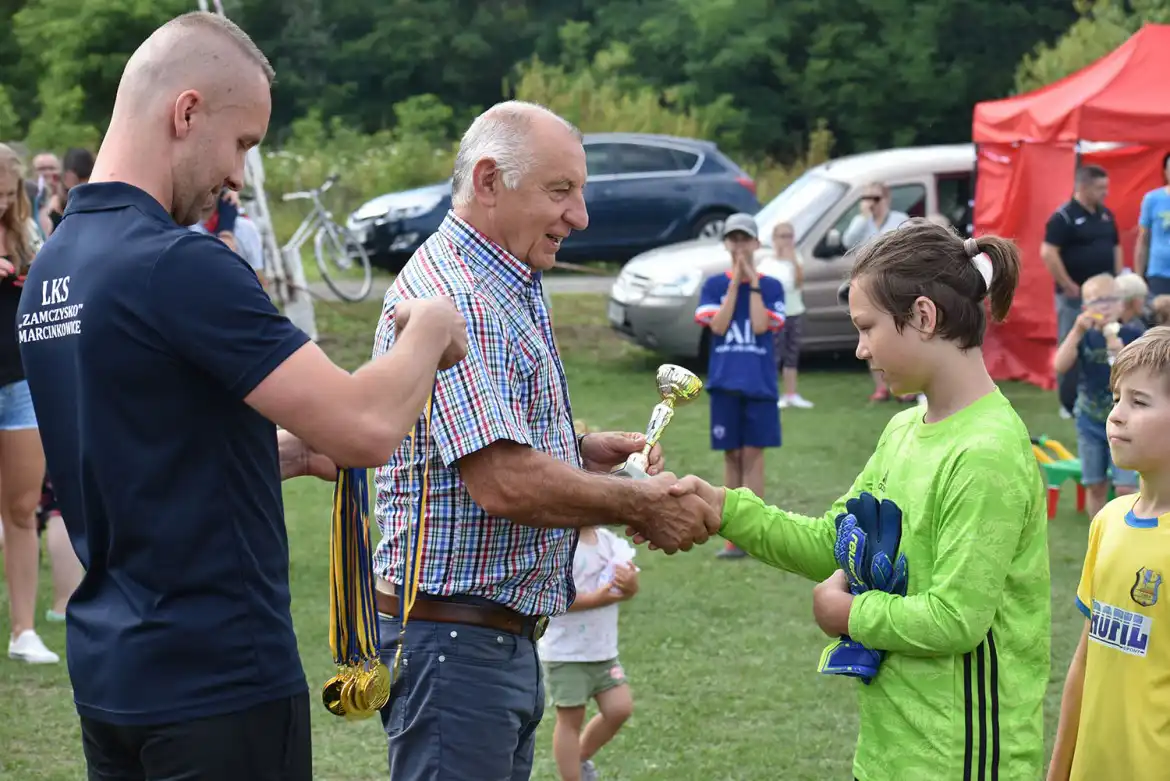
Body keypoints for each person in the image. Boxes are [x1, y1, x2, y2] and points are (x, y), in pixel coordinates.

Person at [17, 12, 468, 781]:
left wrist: (285, 453)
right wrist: (429, 326)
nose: (237, 175)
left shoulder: (56, 265)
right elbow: (365, 426)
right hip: (218, 687)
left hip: (113, 685)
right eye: (244, 144)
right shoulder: (178, 264)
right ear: (186, 111)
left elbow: (143, 447)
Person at [371, 100, 719, 781]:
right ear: (490, 181)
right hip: (455, 645)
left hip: (482, 642)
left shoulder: (505, 279)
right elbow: (501, 478)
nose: (580, 215)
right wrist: (640, 504)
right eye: (561, 191)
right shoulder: (461, 292)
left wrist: (576, 450)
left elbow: (480, 446)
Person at [667, 220, 1051, 781]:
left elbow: (955, 620)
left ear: (923, 316)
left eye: (867, 327)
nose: (859, 347)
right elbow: (836, 544)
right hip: (890, 752)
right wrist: (724, 507)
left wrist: (846, 613)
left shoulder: (986, 453)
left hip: (963, 758)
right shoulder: (902, 429)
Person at [1047, 326, 1170, 781]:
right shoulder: (1109, 520)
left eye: (1139, 402)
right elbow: (1084, 663)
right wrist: (1059, 769)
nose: (1115, 415)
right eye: (1117, 398)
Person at [694, 213, 785, 560]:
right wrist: (735, 284)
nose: (739, 247)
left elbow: (762, 325)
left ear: (756, 244)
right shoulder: (715, 284)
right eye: (734, 240)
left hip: (759, 384)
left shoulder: (772, 286)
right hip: (725, 383)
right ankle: (733, 533)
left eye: (745, 240)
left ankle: (753, 533)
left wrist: (753, 283)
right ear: (727, 244)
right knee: (732, 455)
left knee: (752, 455)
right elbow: (717, 327)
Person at [0, 143, 58, 665]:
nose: (0, 205)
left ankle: (23, 630)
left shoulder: (25, 234)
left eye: (5, 195)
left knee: (22, 509)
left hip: (19, 383)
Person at [538, 523, 638, 781]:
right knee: (571, 719)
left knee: (620, 708)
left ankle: (579, 758)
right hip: (566, 653)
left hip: (603, 649)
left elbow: (629, 586)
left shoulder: (608, 542)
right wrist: (597, 599)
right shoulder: (560, 543)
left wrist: (629, 585)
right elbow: (556, 596)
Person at [1053, 273, 1144, 517]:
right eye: (1096, 301)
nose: (1103, 306)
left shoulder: (1133, 334)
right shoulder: (1083, 336)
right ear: (1085, 308)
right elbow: (1060, 365)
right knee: (1095, 484)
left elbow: (1133, 372)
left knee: (1126, 487)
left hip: (1126, 421)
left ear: (1121, 304)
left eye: (1110, 300)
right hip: (1090, 420)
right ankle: (1100, 534)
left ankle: (1129, 532)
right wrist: (1076, 331)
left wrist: (1112, 338)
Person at [1042, 165, 1122, 416]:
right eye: (1100, 188)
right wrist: (1066, 283)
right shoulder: (1063, 218)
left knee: (1108, 340)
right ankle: (1068, 403)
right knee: (1072, 341)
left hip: (1106, 297)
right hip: (1075, 298)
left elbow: (1116, 246)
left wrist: (1116, 280)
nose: (1105, 193)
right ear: (1083, 187)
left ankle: (1112, 395)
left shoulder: (1106, 215)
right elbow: (1048, 252)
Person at [842, 180, 912, 402]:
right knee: (870, 337)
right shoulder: (861, 222)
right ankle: (881, 386)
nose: (871, 203)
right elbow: (847, 241)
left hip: (894, 286)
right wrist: (863, 218)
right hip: (868, 288)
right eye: (867, 198)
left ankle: (906, 385)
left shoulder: (900, 220)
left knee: (900, 335)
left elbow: (911, 245)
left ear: (886, 199)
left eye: (875, 198)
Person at [763, 221, 813, 409]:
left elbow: (798, 284)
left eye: (789, 236)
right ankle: (771, 394)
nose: (787, 241)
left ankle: (791, 393)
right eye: (782, 236)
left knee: (792, 354)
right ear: (775, 239)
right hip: (776, 316)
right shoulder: (767, 264)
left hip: (795, 312)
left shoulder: (796, 260)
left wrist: (792, 260)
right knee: (775, 355)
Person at [1135, 152, 1170, 296]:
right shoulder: (1152, 199)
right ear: (1165, 171)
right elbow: (1143, 239)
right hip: (1159, 273)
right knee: (1159, 317)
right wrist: (1138, 276)